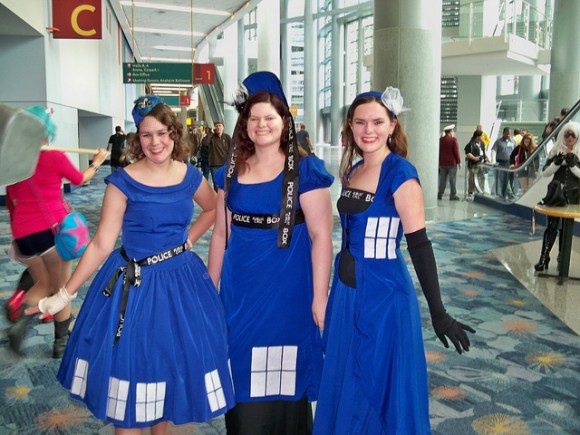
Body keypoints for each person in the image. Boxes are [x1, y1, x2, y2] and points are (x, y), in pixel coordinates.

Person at [26, 99, 235, 433]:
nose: (155, 142)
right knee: (131, 370)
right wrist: (65, 294)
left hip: (180, 283)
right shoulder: (123, 181)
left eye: (162, 133)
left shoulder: (190, 176)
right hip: (136, 286)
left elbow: (212, 208)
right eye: (147, 134)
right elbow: (101, 244)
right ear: (138, 138)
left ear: (174, 134)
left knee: (167, 366)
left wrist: (188, 240)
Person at [313, 88, 474, 435]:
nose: (368, 130)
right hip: (346, 293)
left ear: (392, 125)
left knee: (381, 387)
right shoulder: (354, 170)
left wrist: (439, 312)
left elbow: (419, 245)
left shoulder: (401, 174)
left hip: (384, 296)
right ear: (350, 125)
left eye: (377, 122)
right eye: (360, 122)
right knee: (347, 382)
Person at [209, 71, 334, 434]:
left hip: (288, 294)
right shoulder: (230, 172)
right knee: (242, 380)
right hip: (240, 294)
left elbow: (321, 236)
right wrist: (209, 290)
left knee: (288, 384)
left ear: (284, 122)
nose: (261, 125)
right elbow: (220, 234)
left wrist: (319, 297)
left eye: (270, 117)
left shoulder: (306, 171)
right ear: (244, 124)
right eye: (254, 118)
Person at [6, 106, 108, 358]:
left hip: (23, 234)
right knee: (61, 288)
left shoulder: (15, 164)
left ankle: (21, 322)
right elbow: (80, 179)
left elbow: (12, 201)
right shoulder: (54, 157)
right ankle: (61, 343)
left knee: (44, 283)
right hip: (51, 231)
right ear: (45, 132)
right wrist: (97, 162)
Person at [534, 121, 580, 272]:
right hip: (556, 194)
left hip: (573, 195)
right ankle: (544, 258)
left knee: (566, 228)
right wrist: (556, 163)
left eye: (573, 135)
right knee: (551, 227)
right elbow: (545, 172)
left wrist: (573, 165)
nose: (570, 138)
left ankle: (562, 259)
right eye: (567, 135)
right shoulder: (556, 150)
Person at [491, 127, 515, 199]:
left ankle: (509, 194)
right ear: (503, 133)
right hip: (501, 163)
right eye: (506, 133)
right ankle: (504, 195)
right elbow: (493, 150)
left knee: (510, 179)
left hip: (510, 163)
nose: (508, 135)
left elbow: (515, 152)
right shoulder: (498, 141)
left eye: (509, 134)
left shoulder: (513, 142)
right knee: (503, 180)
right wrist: (493, 161)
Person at [438, 124, 461, 200]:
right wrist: (459, 162)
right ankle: (452, 195)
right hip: (451, 163)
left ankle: (440, 194)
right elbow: (456, 151)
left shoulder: (440, 140)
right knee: (452, 179)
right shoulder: (453, 140)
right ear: (451, 132)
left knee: (442, 179)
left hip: (442, 163)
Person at [208, 120, 232, 190]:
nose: (218, 127)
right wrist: (210, 133)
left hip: (225, 164)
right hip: (214, 164)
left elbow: (232, 149)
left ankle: (225, 197)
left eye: (220, 126)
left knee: (226, 183)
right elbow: (205, 143)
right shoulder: (211, 137)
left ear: (223, 127)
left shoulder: (227, 137)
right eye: (216, 126)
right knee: (216, 185)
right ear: (214, 128)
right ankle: (217, 197)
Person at [464, 129, 487, 200]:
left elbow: (484, 152)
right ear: (477, 137)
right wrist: (474, 158)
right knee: (472, 179)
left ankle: (481, 191)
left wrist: (486, 159)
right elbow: (468, 153)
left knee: (482, 177)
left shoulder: (482, 143)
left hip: (481, 164)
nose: (483, 137)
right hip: (474, 164)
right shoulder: (470, 144)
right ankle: (471, 192)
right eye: (481, 136)